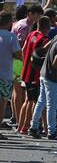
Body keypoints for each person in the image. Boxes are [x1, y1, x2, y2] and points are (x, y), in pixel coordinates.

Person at [10, 4, 44, 126]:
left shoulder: (25, 24)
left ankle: (18, 118)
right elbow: (20, 47)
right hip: (19, 61)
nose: (39, 17)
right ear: (30, 14)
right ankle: (20, 120)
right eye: (38, 15)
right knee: (20, 92)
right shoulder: (24, 26)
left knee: (17, 91)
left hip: (17, 61)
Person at [18, 16, 50, 134]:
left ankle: (21, 126)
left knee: (28, 100)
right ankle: (43, 128)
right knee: (38, 102)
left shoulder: (31, 35)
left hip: (26, 71)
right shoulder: (44, 39)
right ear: (48, 27)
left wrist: (26, 63)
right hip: (36, 74)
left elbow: (23, 50)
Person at [0, 11, 22, 140]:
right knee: (2, 104)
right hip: (5, 75)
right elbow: (19, 55)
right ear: (9, 23)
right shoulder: (11, 37)